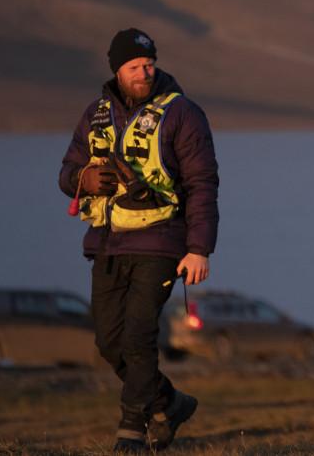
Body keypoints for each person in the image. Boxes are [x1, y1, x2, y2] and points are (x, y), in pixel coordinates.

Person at [59, 28, 219, 453]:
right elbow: (66, 174)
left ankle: (131, 429)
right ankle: (169, 402)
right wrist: (84, 179)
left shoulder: (183, 113)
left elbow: (202, 184)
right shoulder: (94, 114)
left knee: (138, 335)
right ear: (117, 69)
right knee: (109, 343)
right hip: (107, 243)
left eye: (149, 64)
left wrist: (199, 248)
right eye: (134, 66)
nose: (145, 72)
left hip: (162, 241)